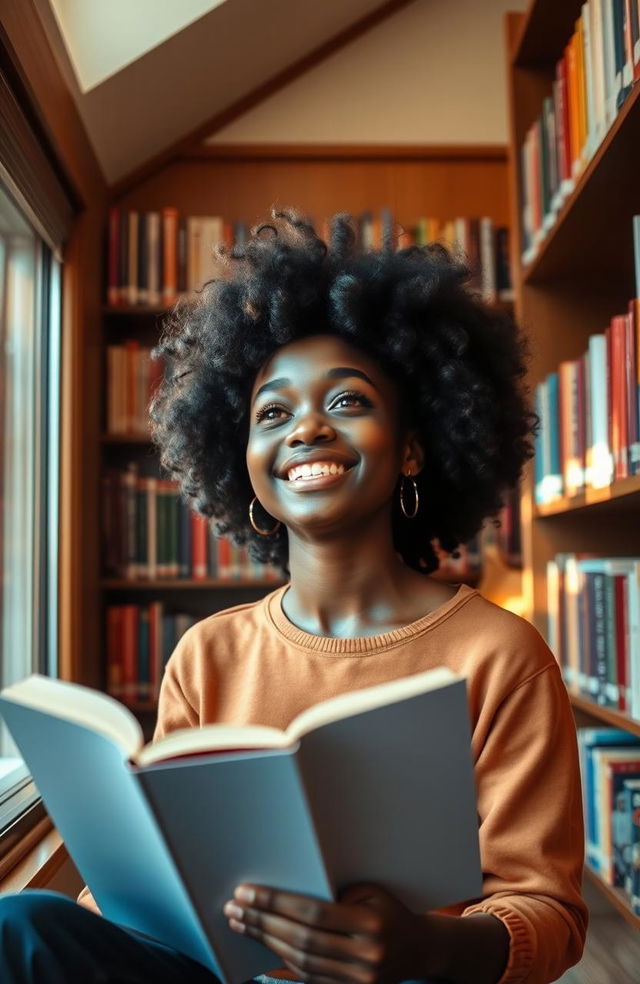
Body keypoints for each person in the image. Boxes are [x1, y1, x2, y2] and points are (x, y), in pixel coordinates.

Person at [0, 209, 587, 984]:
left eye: (347, 402)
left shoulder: (499, 655)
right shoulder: (208, 654)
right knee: (21, 924)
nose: (306, 428)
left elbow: (547, 910)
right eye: (272, 413)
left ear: (414, 446)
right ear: (240, 460)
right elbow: (152, 891)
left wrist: (421, 946)